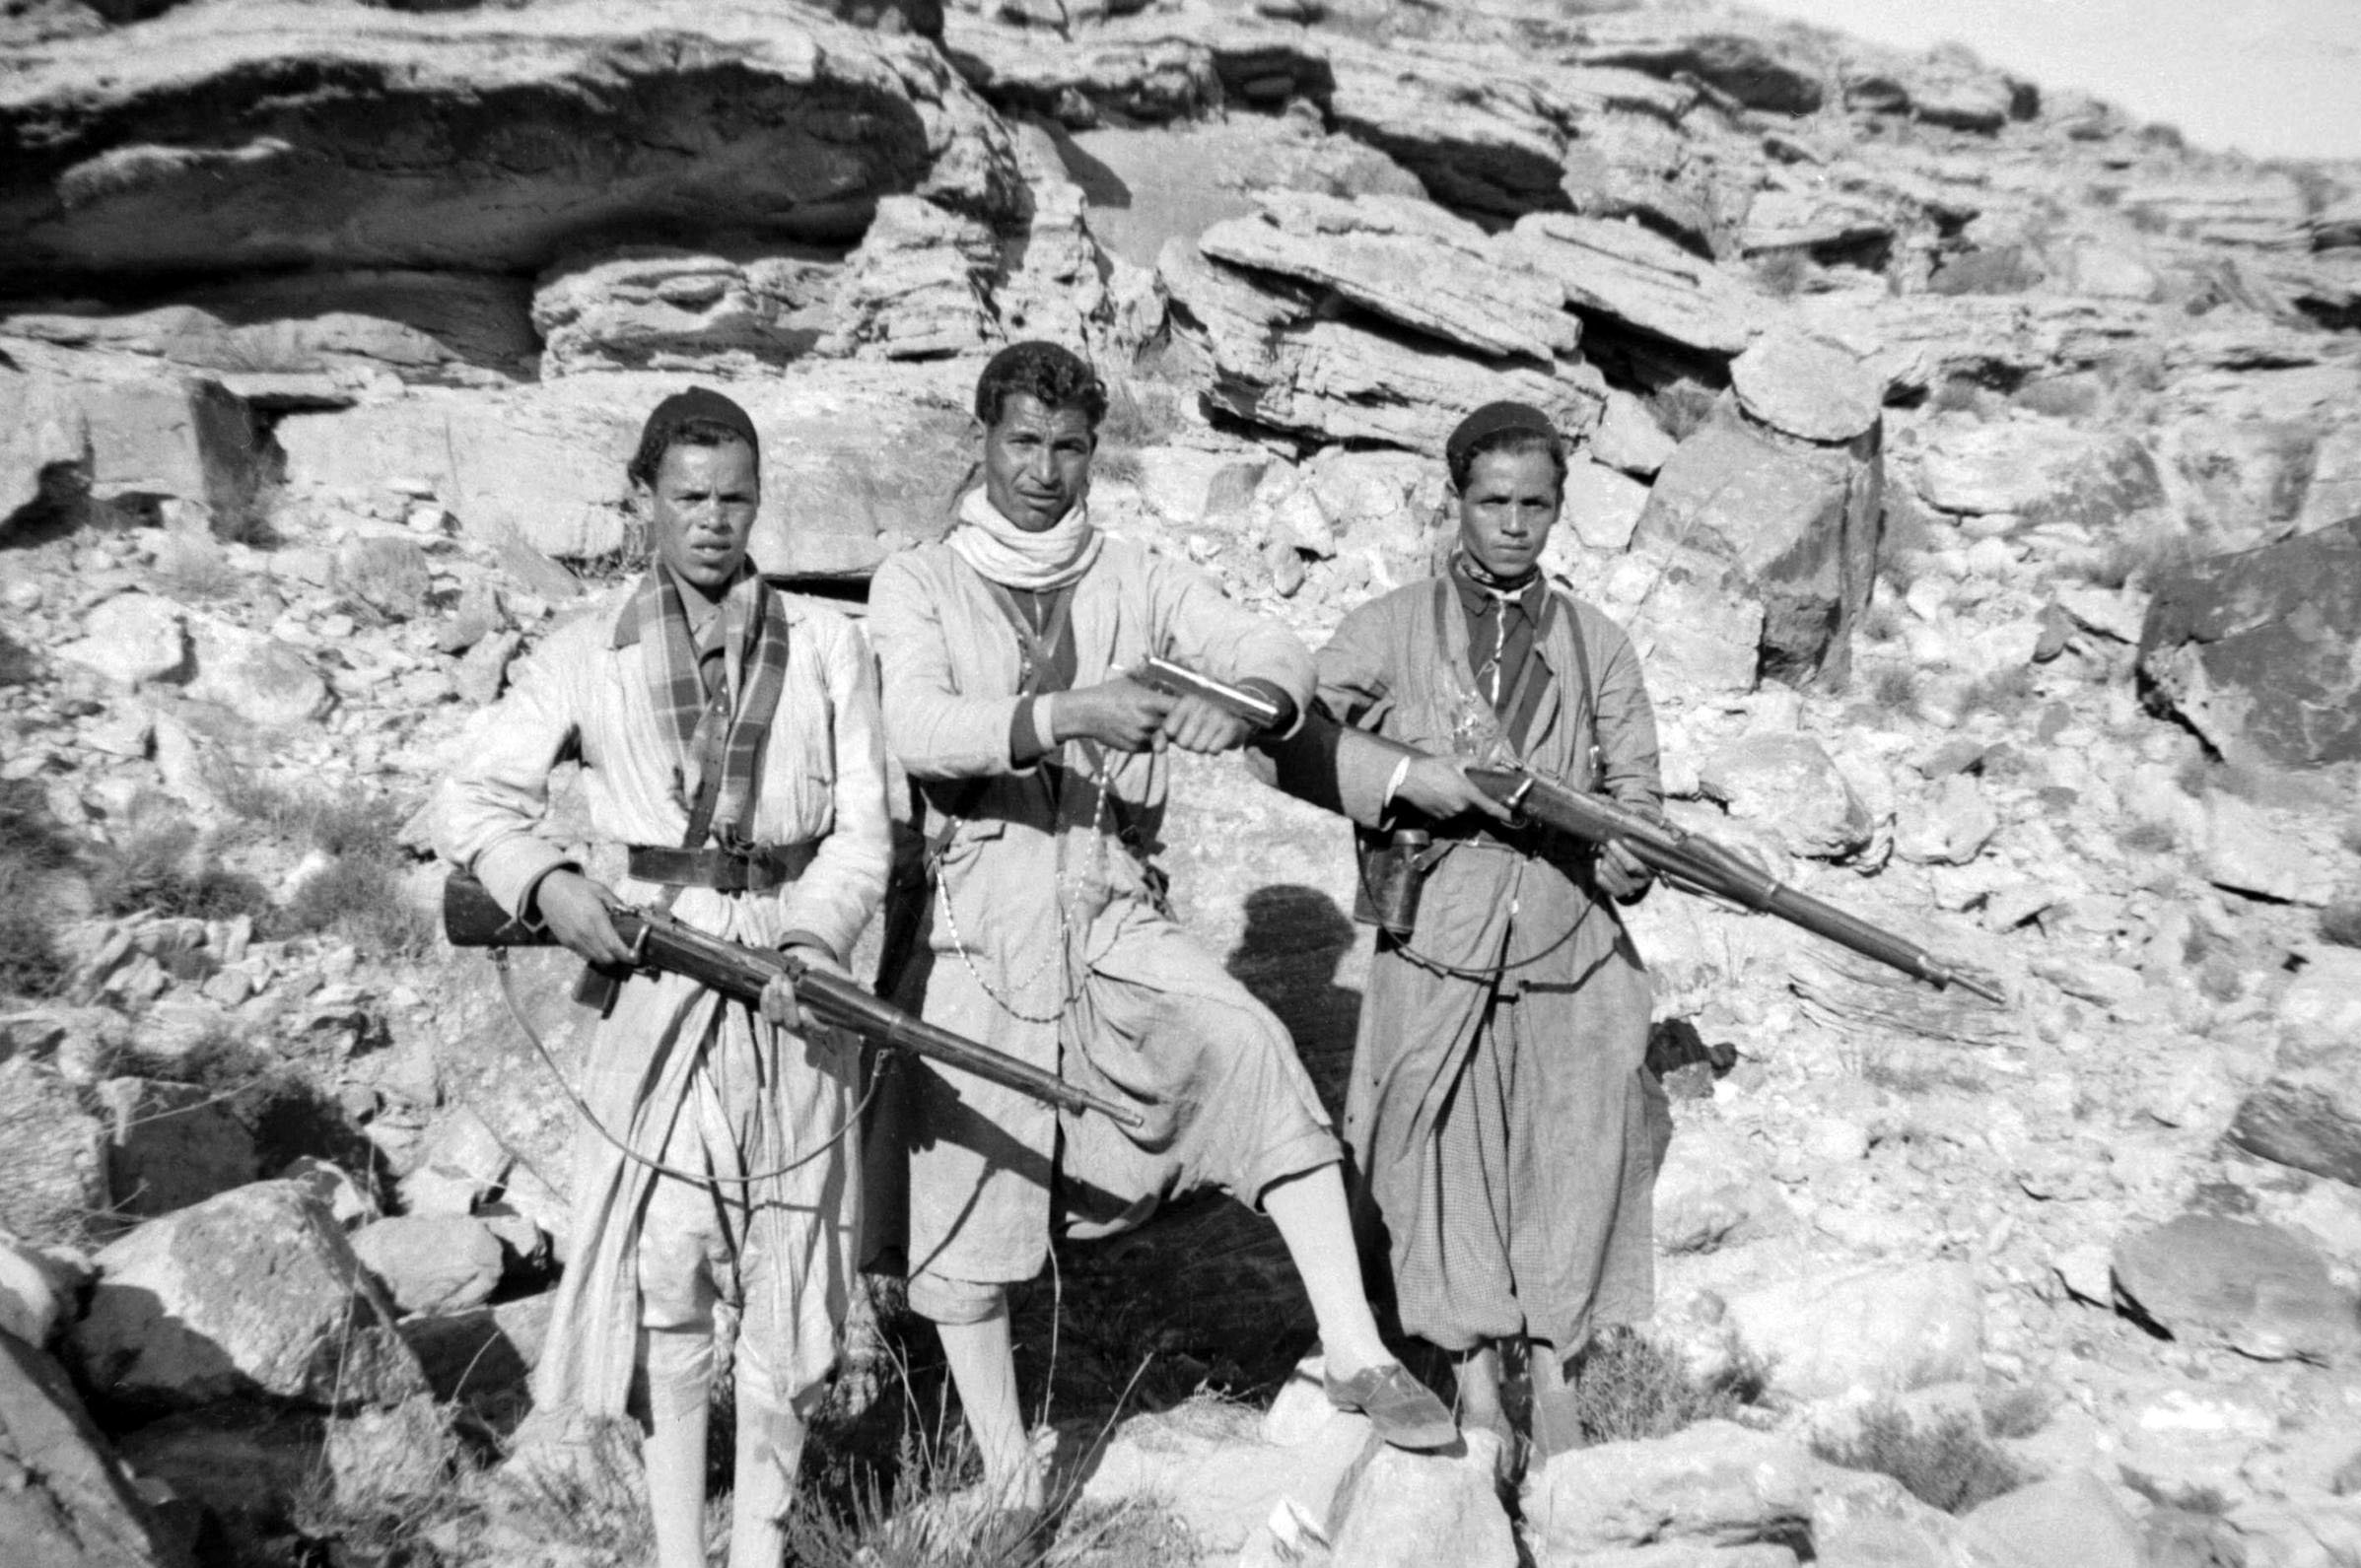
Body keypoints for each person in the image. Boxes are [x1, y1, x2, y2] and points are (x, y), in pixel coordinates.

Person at [866, 340, 1454, 1507]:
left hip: (1107, 897)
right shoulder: (917, 579)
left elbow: (1265, 649)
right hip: (975, 916)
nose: (1044, 470)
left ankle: (1354, 1349)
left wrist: (1247, 705)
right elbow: (918, 725)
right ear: (983, 439)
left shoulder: (1132, 574)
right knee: (967, 1180)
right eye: (1022, 442)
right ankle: (1006, 1467)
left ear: (1095, 453)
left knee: (1247, 1045)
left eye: (1069, 447)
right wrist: (1066, 712)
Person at [434, 388, 889, 1568]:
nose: (712, 519)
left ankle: (761, 1549)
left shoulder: (828, 644)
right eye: (688, 496)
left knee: (791, 1274)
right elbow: (472, 797)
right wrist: (546, 883)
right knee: (669, 1268)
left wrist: (815, 939)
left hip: (796, 979)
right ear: (642, 498)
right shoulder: (584, 650)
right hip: (660, 979)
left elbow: (862, 832)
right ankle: (682, 1549)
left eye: (735, 496)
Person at [1290, 400, 1673, 1465]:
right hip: (1437, 938)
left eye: (1535, 504)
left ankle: (1553, 1374)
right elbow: (1290, 736)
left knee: (1573, 1150)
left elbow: (1639, 797)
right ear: (1455, 499)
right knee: (1436, 1151)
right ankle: (1471, 1380)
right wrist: (1407, 775)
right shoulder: (1390, 628)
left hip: (1566, 943)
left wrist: (1631, 856)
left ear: (1558, 509)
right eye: (1492, 500)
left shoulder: (1598, 645)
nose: (1512, 523)